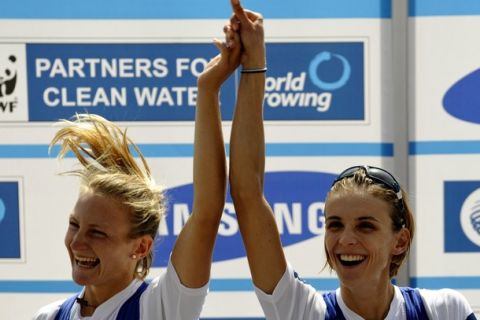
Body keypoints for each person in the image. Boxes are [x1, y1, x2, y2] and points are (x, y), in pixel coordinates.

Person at [227, 1, 477, 319]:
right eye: (335, 224)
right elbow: (247, 193)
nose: (345, 240)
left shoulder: (443, 310)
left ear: (400, 241)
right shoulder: (303, 310)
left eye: (366, 226)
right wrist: (254, 62)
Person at [32, 13, 242, 319]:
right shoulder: (49, 316)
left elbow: (207, 212)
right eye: (75, 225)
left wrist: (208, 90)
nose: (77, 242)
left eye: (97, 233)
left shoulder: (161, 306)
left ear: (141, 247)